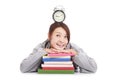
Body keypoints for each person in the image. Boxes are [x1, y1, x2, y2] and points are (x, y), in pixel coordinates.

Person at [20, 22, 97, 73]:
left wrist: (75, 54)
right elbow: (23, 68)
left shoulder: (72, 47)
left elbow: (93, 67)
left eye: (65, 37)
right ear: (49, 36)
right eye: (57, 35)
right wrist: (44, 52)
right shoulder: (42, 47)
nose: (62, 41)